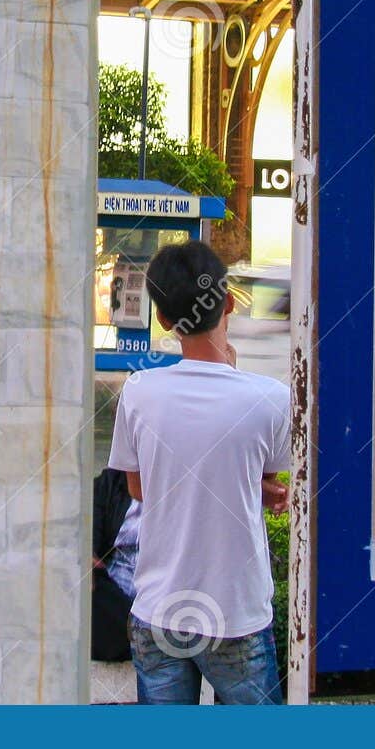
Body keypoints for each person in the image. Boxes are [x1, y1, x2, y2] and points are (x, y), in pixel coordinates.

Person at [107, 241, 290, 704]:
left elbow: (139, 488)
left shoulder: (140, 391)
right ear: (229, 302)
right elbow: (267, 478)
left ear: (164, 320)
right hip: (236, 615)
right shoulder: (270, 398)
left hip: (158, 611)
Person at [90, 466, 137, 662]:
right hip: (114, 596)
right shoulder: (112, 481)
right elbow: (86, 536)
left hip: (164, 597)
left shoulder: (187, 487)